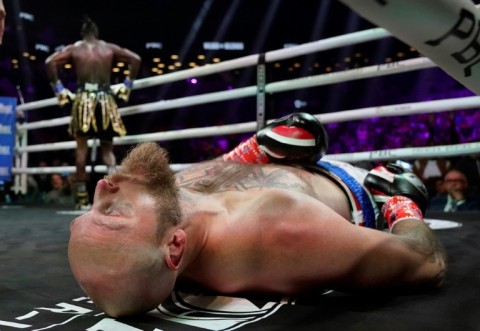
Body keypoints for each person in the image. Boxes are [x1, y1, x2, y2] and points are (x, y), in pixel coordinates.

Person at [68, 113, 446, 317]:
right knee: (401, 184)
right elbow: (426, 263)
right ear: (175, 248)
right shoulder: (279, 230)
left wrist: (254, 152)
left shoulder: (168, 202)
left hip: (268, 171)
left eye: (90, 209)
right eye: (113, 212)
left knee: (290, 133)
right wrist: (402, 206)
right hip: (355, 184)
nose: (102, 187)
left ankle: (255, 150)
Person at [45, 16, 141, 209]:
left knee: (81, 152)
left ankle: (82, 201)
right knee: (108, 152)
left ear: (83, 34)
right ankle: (114, 197)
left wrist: (59, 89)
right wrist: (127, 85)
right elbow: (136, 59)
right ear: (96, 34)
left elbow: (49, 62)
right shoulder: (108, 48)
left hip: (83, 100)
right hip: (105, 100)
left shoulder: (75, 48)